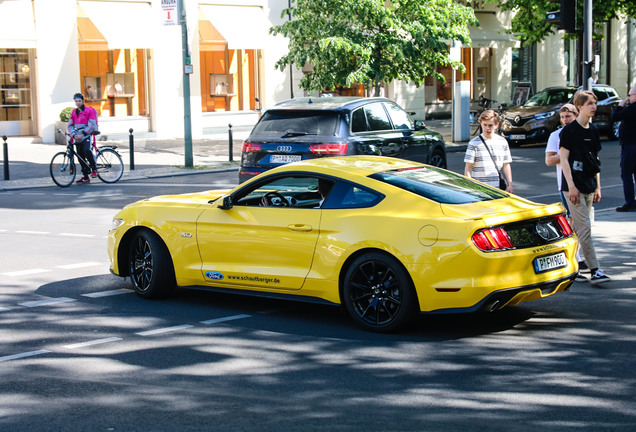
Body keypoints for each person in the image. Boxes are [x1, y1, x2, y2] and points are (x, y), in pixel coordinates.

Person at [559, 90, 610, 285]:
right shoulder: (569, 131)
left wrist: (598, 186)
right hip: (574, 187)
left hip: (589, 185)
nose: (594, 107)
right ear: (580, 106)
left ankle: (567, 263)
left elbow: (595, 160)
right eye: (590, 103)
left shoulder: (594, 130)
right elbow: (563, 160)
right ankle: (595, 269)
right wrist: (571, 186)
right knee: (585, 228)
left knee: (578, 229)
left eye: (595, 103)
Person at [545, 104, 588, 278]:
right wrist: (566, 154)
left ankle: (581, 256)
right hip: (566, 185)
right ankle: (574, 259)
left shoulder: (585, 132)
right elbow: (549, 160)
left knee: (584, 223)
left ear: (576, 115)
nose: (564, 120)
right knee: (572, 222)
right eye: (562, 117)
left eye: (568, 117)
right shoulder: (556, 135)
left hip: (586, 184)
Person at [464, 109, 513, 193]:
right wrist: (469, 186)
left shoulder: (502, 142)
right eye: (485, 125)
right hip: (479, 189)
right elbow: (468, 167)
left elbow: (506, 165)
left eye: (490, 125)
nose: (487, 128)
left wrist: (510, 185)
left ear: (496, 125)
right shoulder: (473, 143)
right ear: (481, 124)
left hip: (497, 189)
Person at [610, 85, 636, 212]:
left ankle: (630, 202)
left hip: (630, 146)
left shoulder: (631, 108)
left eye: (630, 95)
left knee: (626, 174)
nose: (628, 97)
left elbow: (614, 117)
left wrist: (620, 106)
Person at [68, 92, 98, 183]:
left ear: (83, 101)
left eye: (79, 101)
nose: (78, 103)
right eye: (76, 101)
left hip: (86, 136)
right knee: (80, 156)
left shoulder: (88, 111)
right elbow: (70, 125)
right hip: (77, 137)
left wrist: (83, 134)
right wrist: (73, 135)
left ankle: (94, 169)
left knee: (87, 150)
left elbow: (92, 124)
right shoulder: (74, 112)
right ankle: (85, 176)